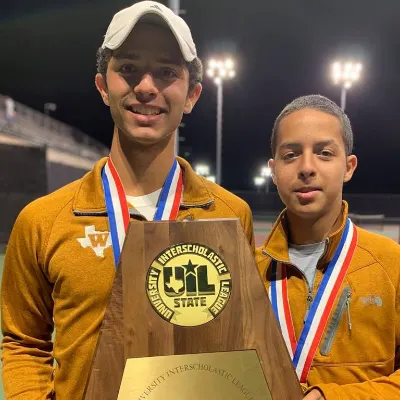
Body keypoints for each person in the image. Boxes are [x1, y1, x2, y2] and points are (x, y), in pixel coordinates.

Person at [1, 2, 254, 399]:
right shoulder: (41, 219)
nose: (147, 86)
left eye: (167, 71)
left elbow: (242, 340)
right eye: (129, 68)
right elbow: (23, 343)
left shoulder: (231, 215)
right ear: (103, 86)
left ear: (192, 95)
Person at [256, 94, 400, 399]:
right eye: (291, 154)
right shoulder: (248, 270)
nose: (306, 167)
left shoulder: (391, 262)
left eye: (323, 152)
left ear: (348, 166)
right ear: (273, 169)